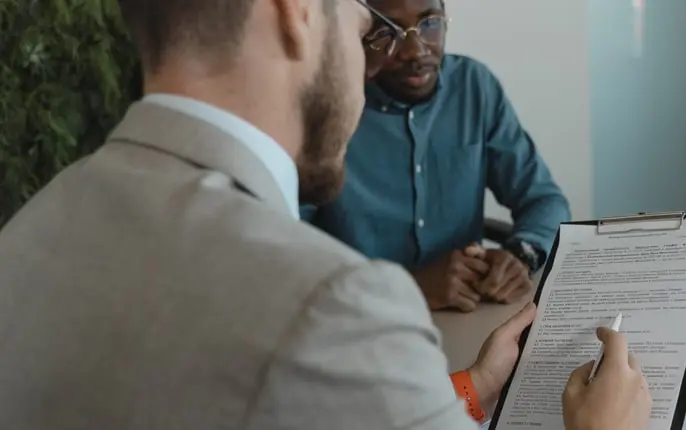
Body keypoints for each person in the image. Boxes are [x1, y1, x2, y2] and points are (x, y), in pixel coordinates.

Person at [0, 0, 649, 429]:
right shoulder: (334, 308)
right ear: (297, 13)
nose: (377, 43)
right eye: (363, 20)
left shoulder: (29, 233)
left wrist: (470, 390)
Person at [301, 0, 571, 313]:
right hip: (361, 319)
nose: (415, 51)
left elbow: (545, 200)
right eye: (390, 30)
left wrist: (520, 255)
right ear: (358, 30)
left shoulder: (473, 86)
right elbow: (288, 252)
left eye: (430, 23)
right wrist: (408, 286)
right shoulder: (326, 105)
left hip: (468, 313)